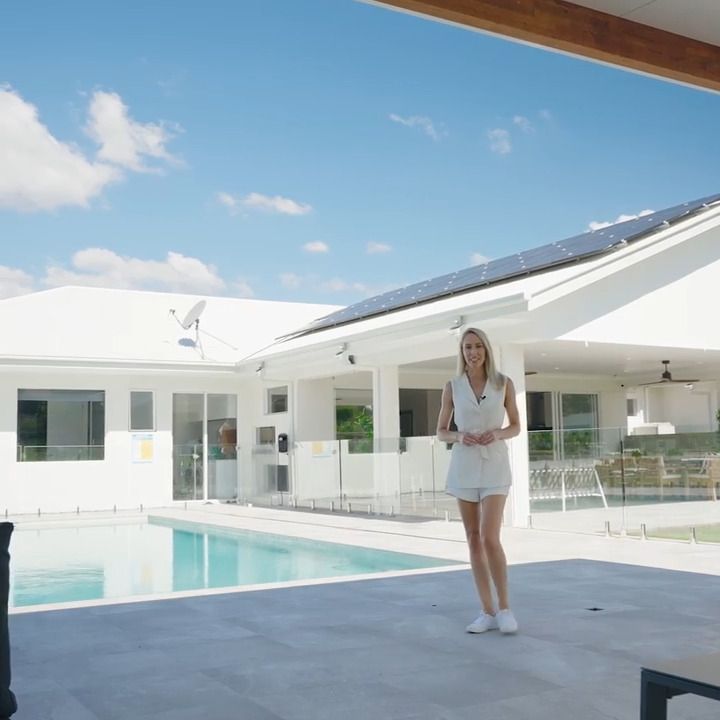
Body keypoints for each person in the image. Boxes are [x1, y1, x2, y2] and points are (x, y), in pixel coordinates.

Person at [436, 327, 521, 634]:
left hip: (495, 465)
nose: (473, 352)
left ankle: (505, 609)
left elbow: (516, 426)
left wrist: (497, 433)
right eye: (467, 347)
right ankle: (486, 611)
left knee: (489, 537)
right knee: (473, 538)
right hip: (464, 466)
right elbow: (441, 431)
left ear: (486, 349)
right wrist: (460, 436)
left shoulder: (503, 383)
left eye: (477, 346)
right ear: (462, 352)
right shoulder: (452, 386)